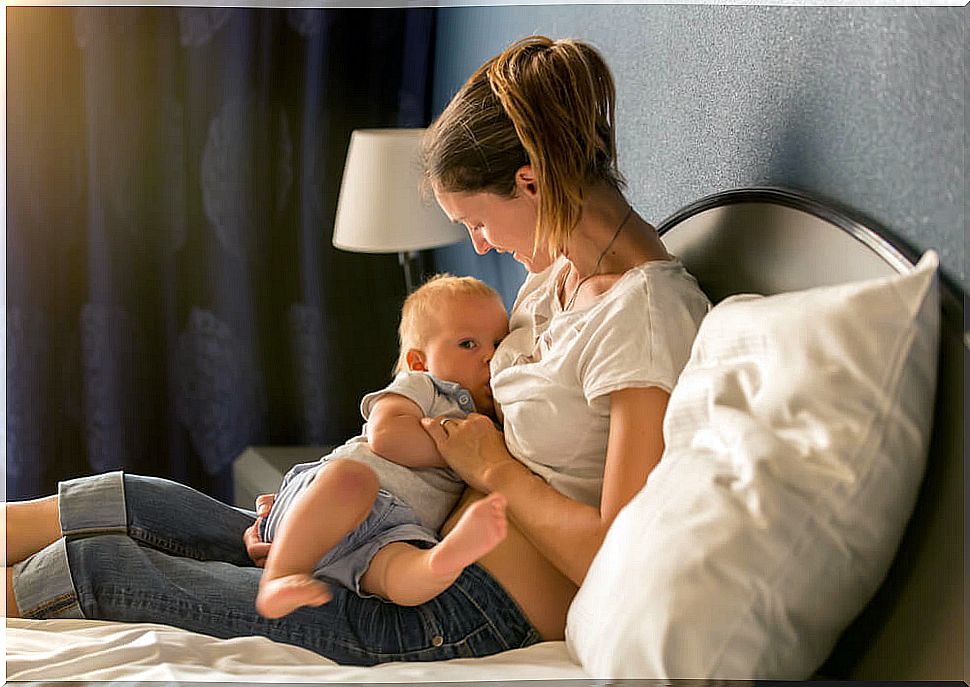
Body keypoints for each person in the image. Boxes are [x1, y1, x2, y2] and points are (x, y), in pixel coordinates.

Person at [6, 35, 709, 664]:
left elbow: (612, 551)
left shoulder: (643, 313)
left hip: (458, 613)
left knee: (104, 569)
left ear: (529, 179)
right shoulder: (553, 277)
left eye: (479, 220)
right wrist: (323, 505)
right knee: (135, 499)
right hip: (401, 540)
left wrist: (490, 465)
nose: (481, 245)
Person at [255, 274, 510, 618]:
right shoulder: (424, 388)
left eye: (499, 342)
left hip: (394, 530)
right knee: (351, 478)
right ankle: (281, 576)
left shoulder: (495, 420)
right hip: (341, 497)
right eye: (468, 344)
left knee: (401, 570)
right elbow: (387, 436)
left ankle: (443, 560)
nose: (490, 357)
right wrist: (461, 454)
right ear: (420, 362)